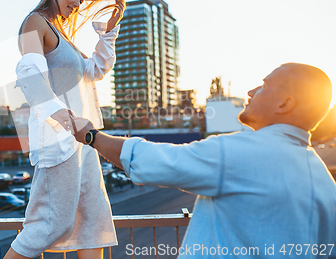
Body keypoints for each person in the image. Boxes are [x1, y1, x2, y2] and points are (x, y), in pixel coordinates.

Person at [70, 63, 336, 258]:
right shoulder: (325, 184)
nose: (252, 91)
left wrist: (92, 136)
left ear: (285, 103)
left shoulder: (239, 152)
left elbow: (150, 161)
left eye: (264, 86)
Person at [4, 0, 125, 259]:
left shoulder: (65, 37)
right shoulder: (36, 21)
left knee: (92, 222)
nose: (77, 4)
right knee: (50, 224)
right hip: (59, 139)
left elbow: (96, 69)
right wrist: (62, 117)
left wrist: (109, 29)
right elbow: (30, 73)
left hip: (83, 141)